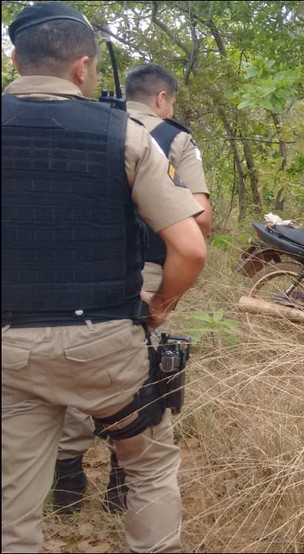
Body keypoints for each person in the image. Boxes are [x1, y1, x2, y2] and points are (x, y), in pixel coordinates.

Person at [1, 3, 207, 552]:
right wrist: (160, 306)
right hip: (107, 344)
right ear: (83, 68)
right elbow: (190, 245)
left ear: (16, 58)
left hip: (8, 349)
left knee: (10, 509)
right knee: (149, 469)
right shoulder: (125, 134)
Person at [51, 62, 213, 516]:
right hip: (142, 269)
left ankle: (67, 475)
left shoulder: (85, 121)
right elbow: (199, 219)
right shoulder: (173, 138)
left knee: (75, 358)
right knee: (136, 371)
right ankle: (123, 483)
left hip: (71, 269)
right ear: (162, 99)